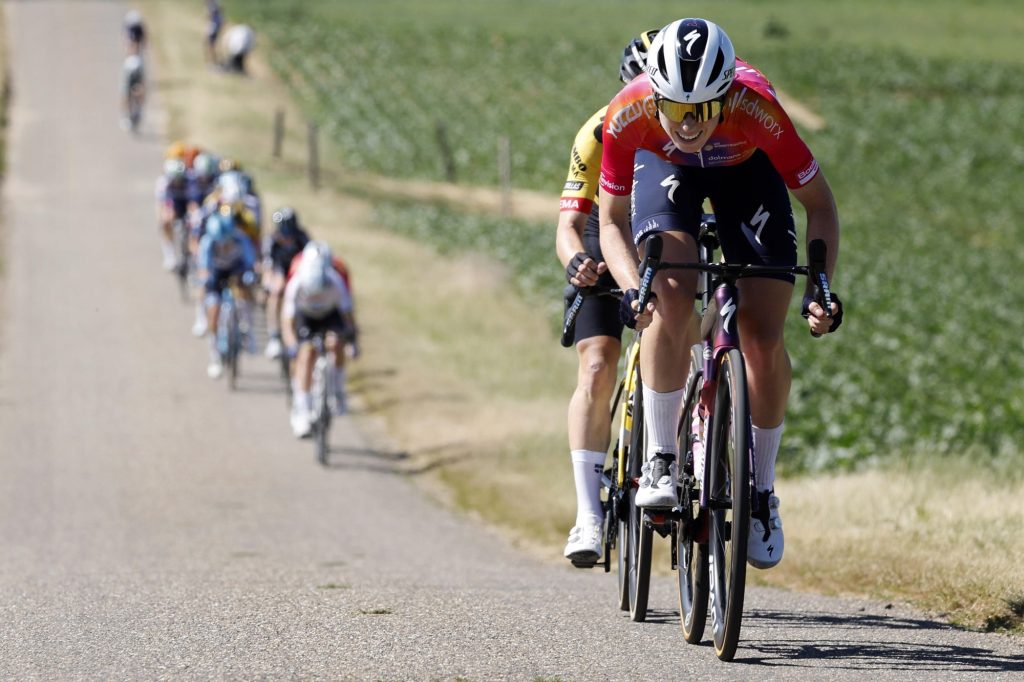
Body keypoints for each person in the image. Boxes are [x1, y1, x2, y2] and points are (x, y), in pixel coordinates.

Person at [598, 18, 843, 569]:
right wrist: (635, 288)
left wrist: (822, 285)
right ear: (655, 94)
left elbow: (821, 205)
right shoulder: (629, 112)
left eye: (704, 109)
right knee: (670, 291)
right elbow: (610, 222)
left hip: (747, 171)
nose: (690, 124)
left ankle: (761, 494)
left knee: (761, 334)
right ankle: (661, 457)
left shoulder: (756, 108)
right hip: (667, 176)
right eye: (678, 110)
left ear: (727, 93)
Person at [557, 30, 658, 568]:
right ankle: (587, 514)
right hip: (605, 228)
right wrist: (578, 262)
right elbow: (568, 225)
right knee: (598, 365)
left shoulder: (692, 127)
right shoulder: (598, 130)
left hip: (664, 228)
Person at [281, 242, 356, 438]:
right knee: (306, 355)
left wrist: (352, 339)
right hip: (306, 317)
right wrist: (292, 345)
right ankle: (302, 410)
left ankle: (338, 391)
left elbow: (347, 315)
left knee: (336, 343)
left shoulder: (335, 280)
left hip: (330, 315)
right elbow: (288, 321)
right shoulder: (296, 283)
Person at [197, 211, 257, 379]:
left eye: (227, 242)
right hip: (216, 275)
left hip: (236, 272)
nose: (224, 246)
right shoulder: (207, 242)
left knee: (245, 293)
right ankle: (215, 356)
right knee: (213, 312)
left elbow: (250, 262)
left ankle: (249, 333)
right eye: (220, 243)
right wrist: (205, 279)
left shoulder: (241, 239)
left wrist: (250, 275)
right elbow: (203, 269)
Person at [263, 207, 310, 360]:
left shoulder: (303, 239)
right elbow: (267, 266)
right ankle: (274, 336)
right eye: (285, 235)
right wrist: (268, 284)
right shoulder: (271, 240)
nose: (287, 239)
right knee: (276, 292)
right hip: (281, 271)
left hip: (298, 272)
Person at [154, 158, 200, 271]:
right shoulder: (163, 182)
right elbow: (162, 204)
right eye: (175, 179)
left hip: (187, 202)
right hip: (173, 203)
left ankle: (195, 255)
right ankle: (170, 254)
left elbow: (193, 201)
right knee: (165, 221)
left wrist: (194, 216)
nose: (178, 182)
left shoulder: (191, 178)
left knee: (197, 223)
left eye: (180, 179)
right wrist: (165, 218)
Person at [205, 0, 223, 65]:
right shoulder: (214, 3)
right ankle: (212, 61)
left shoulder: (214, 4)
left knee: (211, 44)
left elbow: (211, 15)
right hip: (214, 25)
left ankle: (213, 62)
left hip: (214, 26)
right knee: (210, 44)